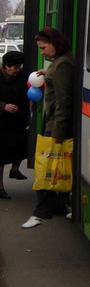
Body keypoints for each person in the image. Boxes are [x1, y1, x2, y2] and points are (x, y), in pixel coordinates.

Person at [22, 27, 75, 229]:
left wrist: (57, 134)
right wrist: (48, 72)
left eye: (44, 48)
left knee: (44, 170)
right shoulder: (63, 62)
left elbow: (63, 102)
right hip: (55, 125)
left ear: (55, 44)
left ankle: (41, 212)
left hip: (54, 127)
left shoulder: (62, 66)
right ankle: (59, 207)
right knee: (55, 169)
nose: (42, 52)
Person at [0, 50, 30, 194]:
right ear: (6, 66)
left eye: (19, 66)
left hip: (18, 121)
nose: (18, 70)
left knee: (25, 145)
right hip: (1, 123)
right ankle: (0, 188)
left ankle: (15, 169)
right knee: (1, 155)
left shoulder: (22, 76)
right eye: (15, 67)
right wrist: (3, 106)